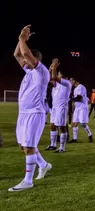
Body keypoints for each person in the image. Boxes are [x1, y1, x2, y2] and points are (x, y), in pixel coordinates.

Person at [9, 25, 52, 191]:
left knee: (29, 147)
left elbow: (25, 53)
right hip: (24, 114)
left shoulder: (41, 71)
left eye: (27, 60)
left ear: (35, 59)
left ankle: (28, 180)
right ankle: (44, 164)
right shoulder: (29, 72)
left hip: (35, 113)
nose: (23, 62)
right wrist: (20, 37)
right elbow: (17, 54)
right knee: (24, 146)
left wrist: (23, 39)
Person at [45, 58, 72, 153]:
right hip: (54, 108)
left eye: (58, 73)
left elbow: (54, 77)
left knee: (61, 126)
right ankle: (52, 145)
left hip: (62, 107)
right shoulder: (56, 84)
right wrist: (51, 67)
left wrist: (54, 68)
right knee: (52, 125)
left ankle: (62, 147)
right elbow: (47, 78)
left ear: (62, 75)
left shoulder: (67, 83)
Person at [68, 77, 93, 143]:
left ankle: (90, 135)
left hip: (82, 107)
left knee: (83, 124)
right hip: (77, 107)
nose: (70, 82)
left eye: (71, 80)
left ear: (75, 80)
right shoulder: (75, 89)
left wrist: (70, 99)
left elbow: (79, 98)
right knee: (74, 123)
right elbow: (75, 99)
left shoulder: (81, 87)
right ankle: (74, 139)